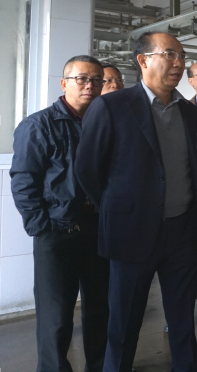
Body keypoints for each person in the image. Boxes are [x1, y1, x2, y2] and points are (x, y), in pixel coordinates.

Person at [75, 32, 197, 372]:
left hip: (181, 232)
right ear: (143, 60)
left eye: (182, 56)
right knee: (124, 323)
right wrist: (119, 208)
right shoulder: (111, 106)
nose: (179, 63)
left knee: (182, 321)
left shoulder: (189, 113)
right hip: (131, 233)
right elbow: (87, 169)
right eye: (170, 54)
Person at [10, 55, 109, 372]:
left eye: (96, 80)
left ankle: (101, 366)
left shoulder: (104, 123)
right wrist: (42, 227)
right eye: (82, 79)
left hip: (99, 231)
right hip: (57, 233)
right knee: (56, 317)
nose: (90, 85)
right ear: (65, 83)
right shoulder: (38, 125)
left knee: (101, 309)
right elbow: (23, 181)